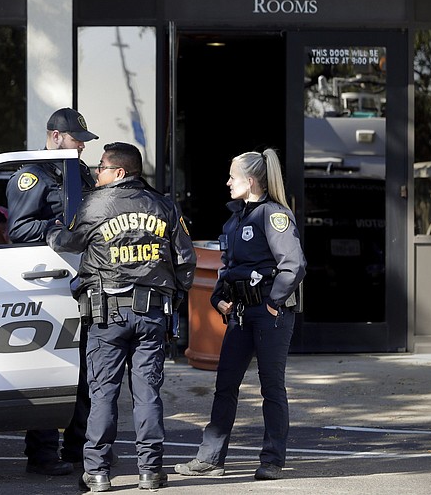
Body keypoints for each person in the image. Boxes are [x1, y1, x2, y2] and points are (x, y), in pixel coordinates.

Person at [46, 142, 197, 492]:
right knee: (147, 394)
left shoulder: (95, 204)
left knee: (102, 394)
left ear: (119, 172)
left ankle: (97, 473)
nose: (96, 172)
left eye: (101, 167)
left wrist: (52, 231)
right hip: (152, 315)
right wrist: (172, 299)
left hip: (106, 315)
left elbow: (70, 242)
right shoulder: (163, 205)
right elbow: (186, 262)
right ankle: (150, 471)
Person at [174, 148, 306, 482]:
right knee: (225, 385)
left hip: (269, 314)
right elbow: (228, 268)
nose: (227, 182)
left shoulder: (273, 215)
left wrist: (274, 302)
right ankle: (210, 459)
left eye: (232, 176)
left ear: (249, 181)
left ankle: (273, 460)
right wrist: (219, 297)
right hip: (242, 313)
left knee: (271, 387)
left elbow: (294, 265)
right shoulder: (235, 219)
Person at [5, 107, 97, 476]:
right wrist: (55, 225)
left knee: (85, 374)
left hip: (84, 282)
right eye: (77, 141)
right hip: (46, 284)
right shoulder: (32, 176)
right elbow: (19, 229)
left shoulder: (80, 173)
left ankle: (77, 449)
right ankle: (42, 454)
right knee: (50, 369)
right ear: (56, 137)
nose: (82, 148)